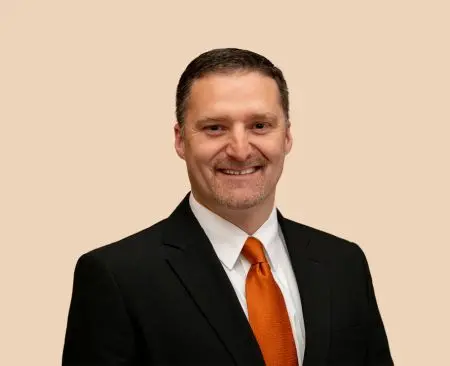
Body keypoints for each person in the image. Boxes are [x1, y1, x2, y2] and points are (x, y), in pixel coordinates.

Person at [62, 48, 393, 366]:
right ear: (180, 140)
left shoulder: (344, 265)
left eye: (259, 126)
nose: (239, 149)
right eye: (215, 128)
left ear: (287, 137)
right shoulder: (117, 277)